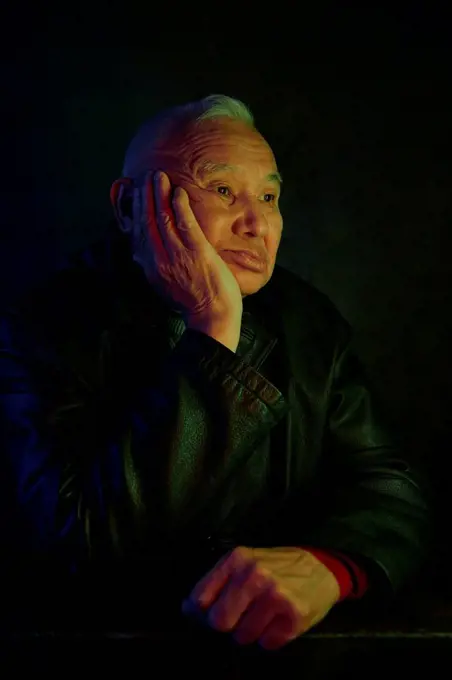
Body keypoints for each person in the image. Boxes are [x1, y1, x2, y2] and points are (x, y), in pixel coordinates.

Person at [0, 94, 431, 653]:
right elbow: (86, 544)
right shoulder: (43, 327)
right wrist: (213, 327)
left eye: (270, 196)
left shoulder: (308, 324)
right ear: (131, 205)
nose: (256, 223)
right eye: (224, 191)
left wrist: (331, 567)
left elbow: (389, 487)